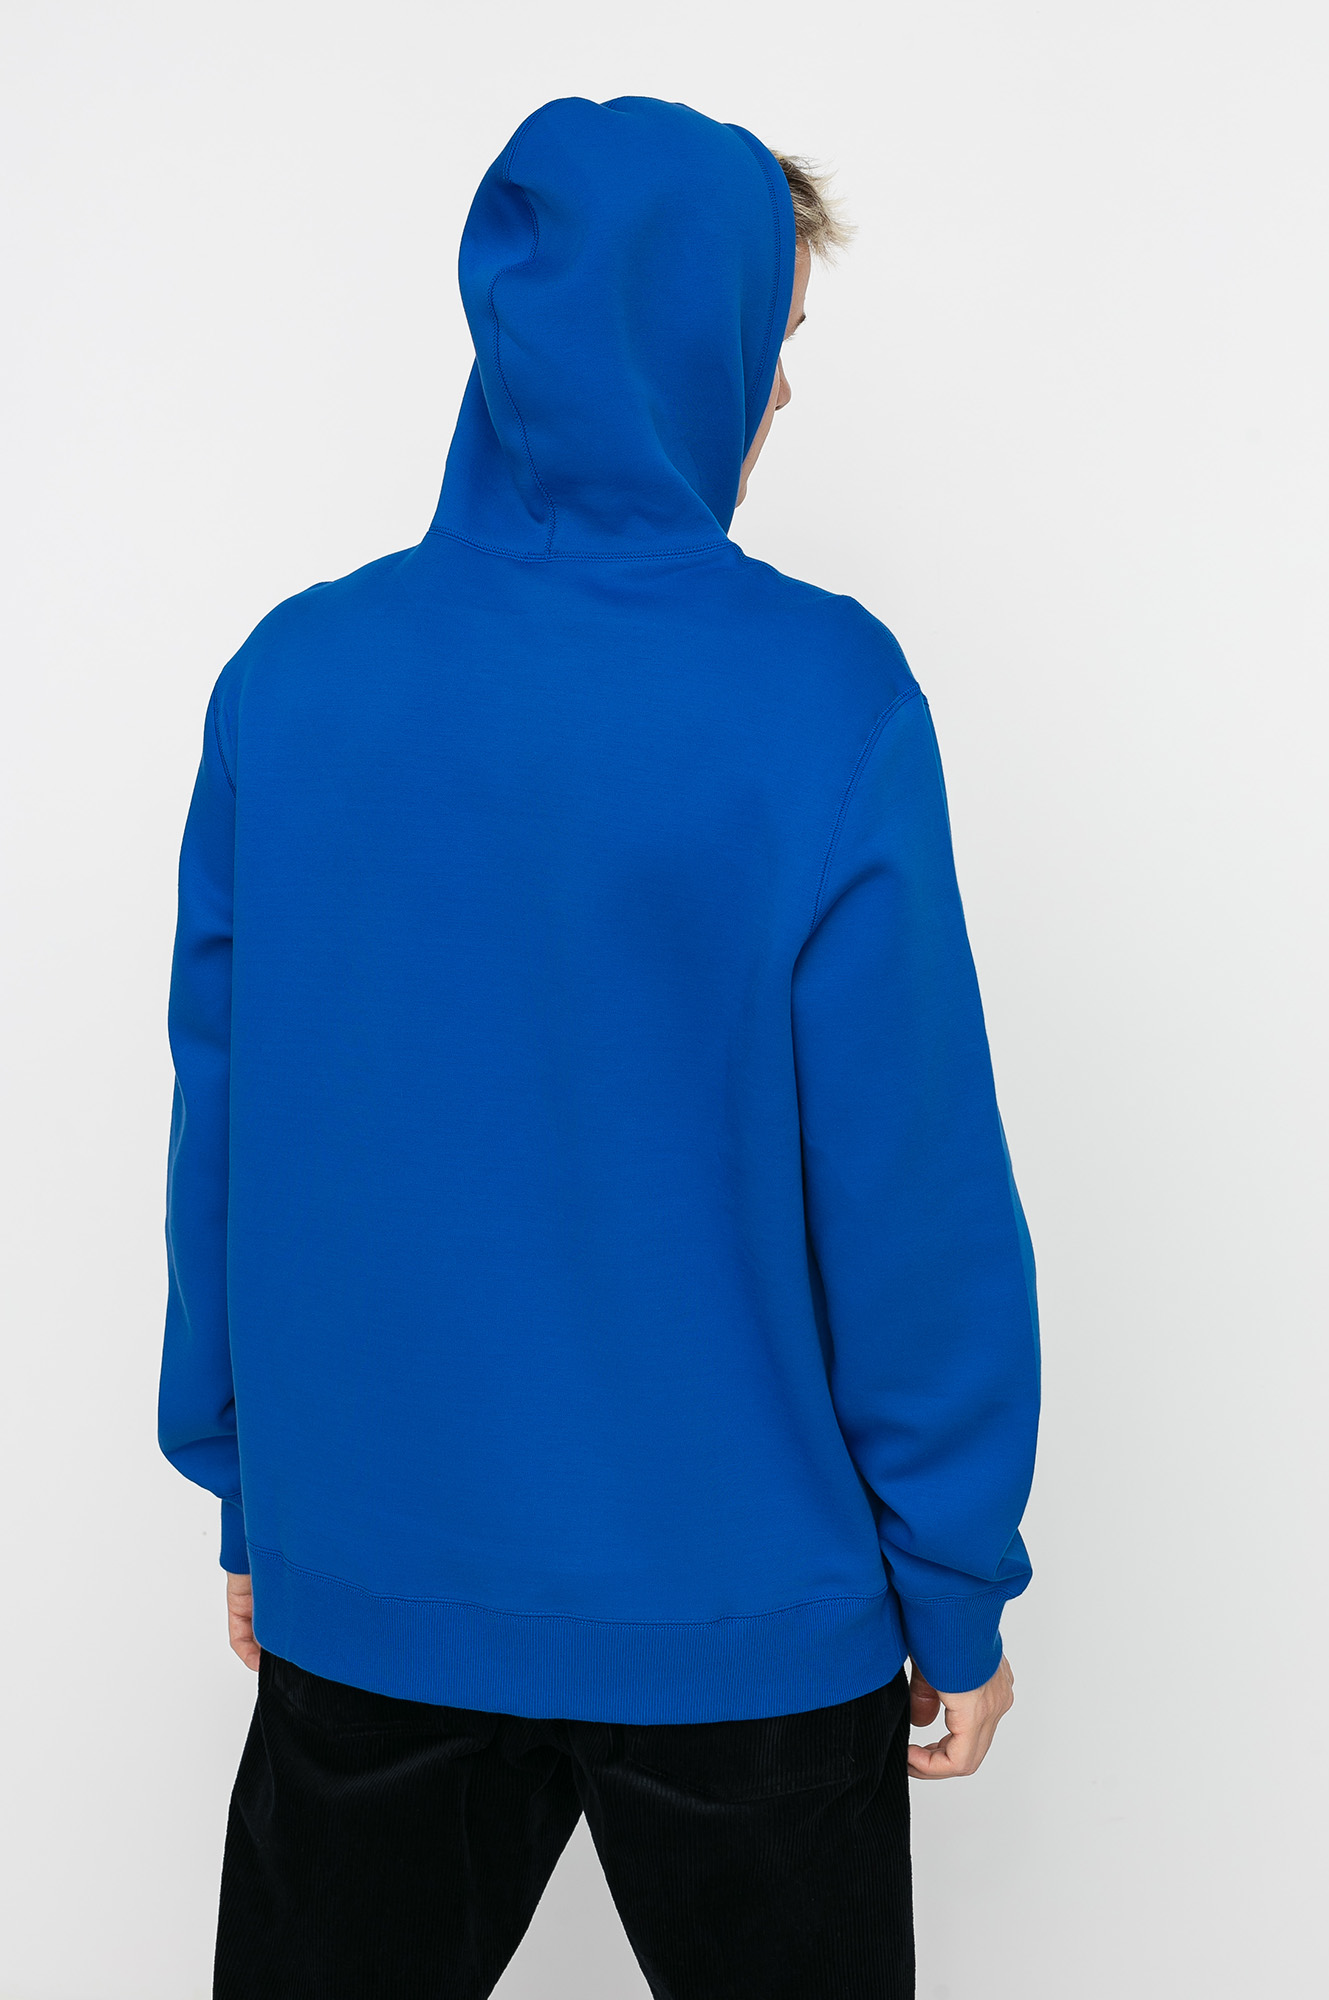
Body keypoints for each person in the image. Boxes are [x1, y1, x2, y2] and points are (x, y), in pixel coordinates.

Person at [160, 94, 1040, 2000]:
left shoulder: (290, 684)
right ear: (681, 337)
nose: (779, 389)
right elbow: (909, 1192)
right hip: (750, 1618)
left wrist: (251, 1485)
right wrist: (955, 1575)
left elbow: (228, 1131)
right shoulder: (823, 697)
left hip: (369, 1579)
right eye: (770, 335)